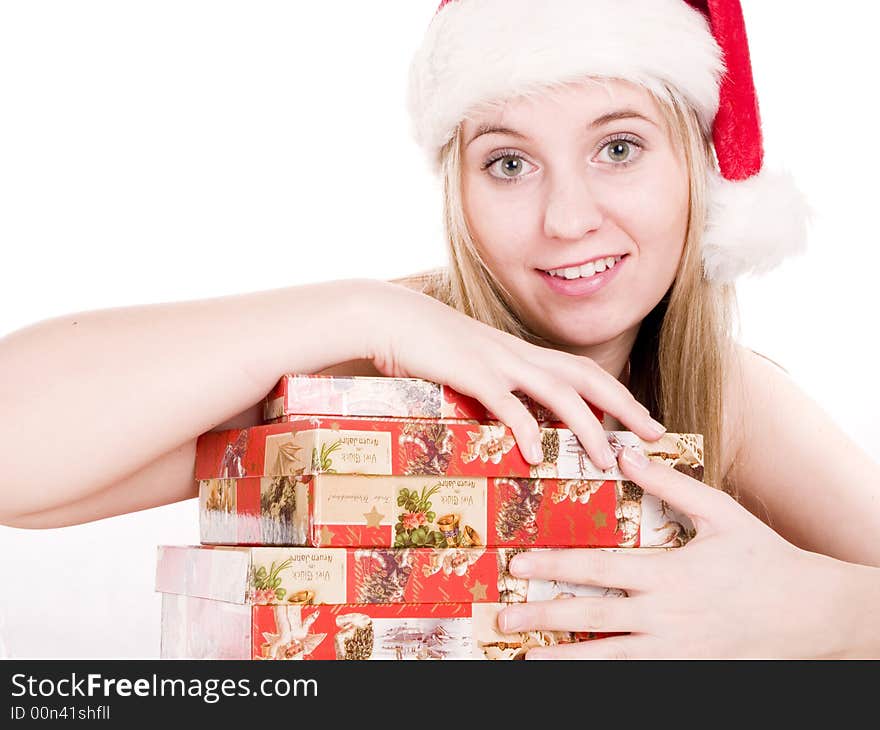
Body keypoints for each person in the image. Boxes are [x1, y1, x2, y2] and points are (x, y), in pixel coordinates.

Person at [1, 0, 878, 658]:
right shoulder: (360, 376)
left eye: (619, 148)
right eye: (508, 162)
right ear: (457, 191)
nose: (568, 219)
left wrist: (820, 611)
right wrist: (361, 308)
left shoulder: (730, 396)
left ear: (698, 166)